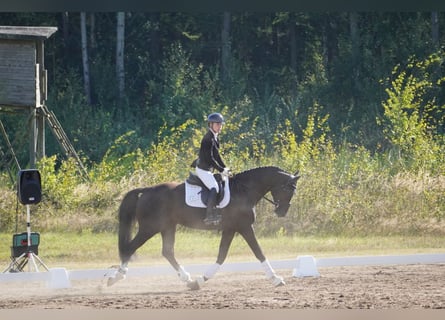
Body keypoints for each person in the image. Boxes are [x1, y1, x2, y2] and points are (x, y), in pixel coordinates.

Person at [195, 112, 230, 225]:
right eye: (217, 124)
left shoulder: (215, 138)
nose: (219, 126)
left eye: (221, 124)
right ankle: (209, 215)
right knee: (214, 187)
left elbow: (217, 156)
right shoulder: (207, 139)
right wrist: (220, 169)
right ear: (210, 124)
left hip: (208, 169)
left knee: (221, 183)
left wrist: (225, 168)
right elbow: (209, 158)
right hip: (202, 169)